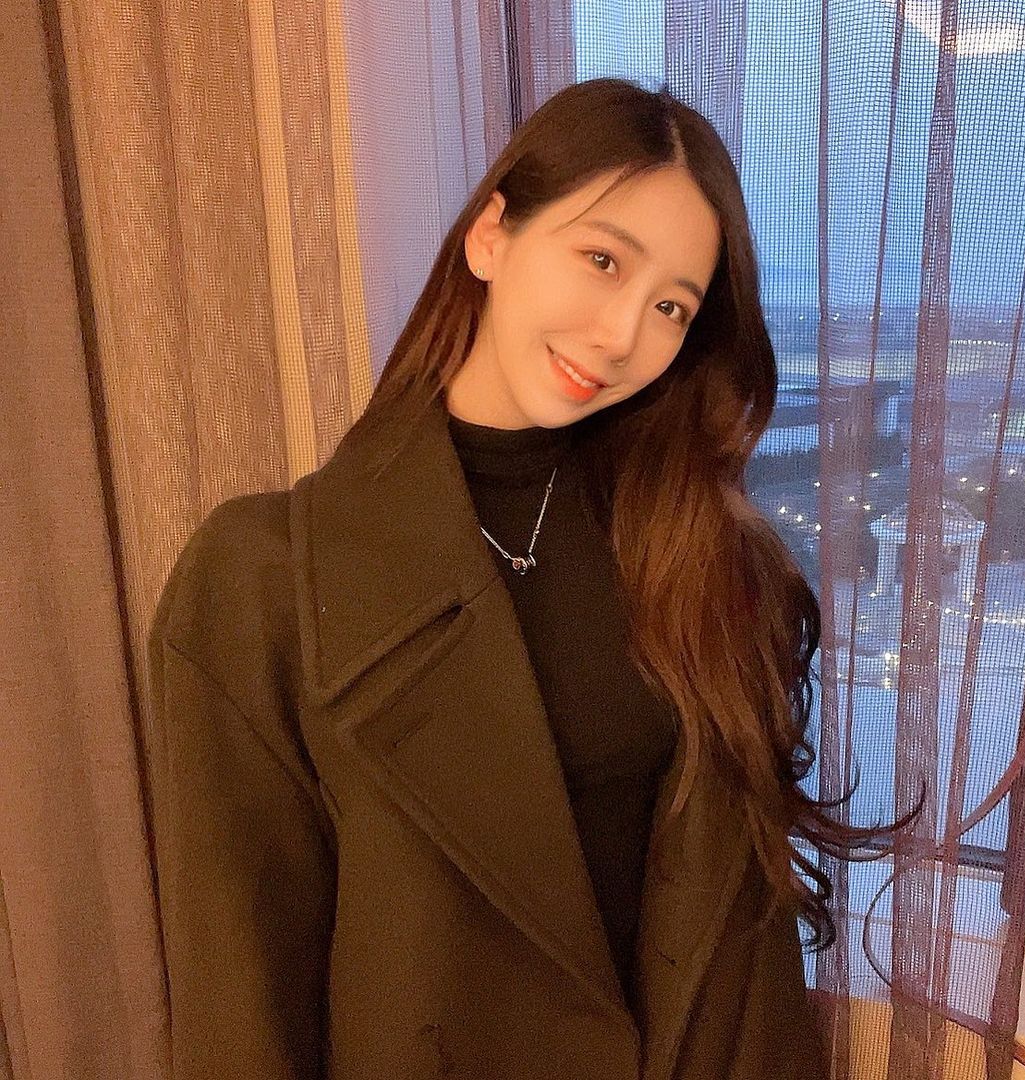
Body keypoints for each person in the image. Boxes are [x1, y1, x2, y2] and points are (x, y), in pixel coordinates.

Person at [146, 76, 873, 1080]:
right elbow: (240, 1009)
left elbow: (752, 969)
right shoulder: (262, 582)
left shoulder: (699, 560)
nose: (621, 334)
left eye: (671, 306)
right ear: (491, 236)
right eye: (602, 260)